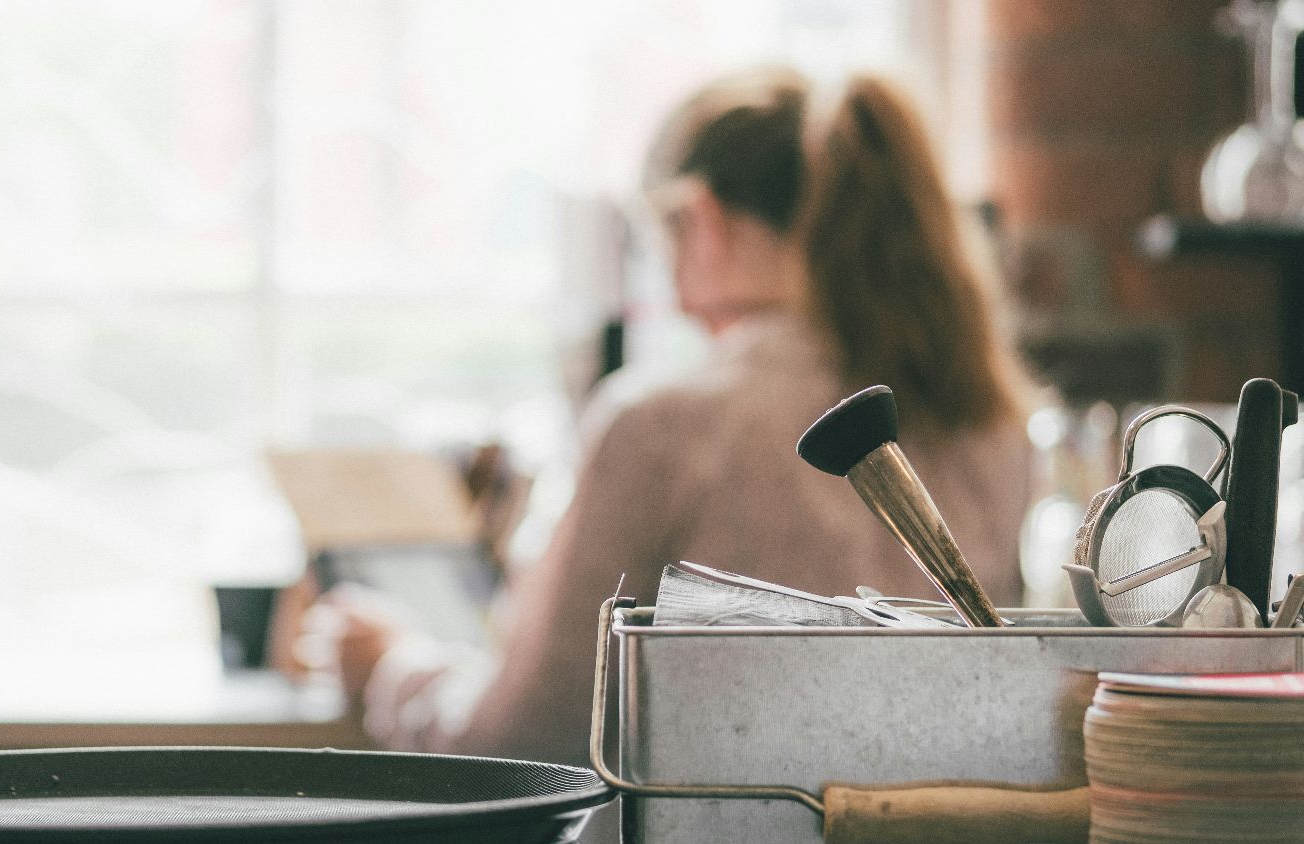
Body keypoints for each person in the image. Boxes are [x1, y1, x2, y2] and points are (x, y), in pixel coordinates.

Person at [319, 67, 1035, 767]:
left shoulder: (663, 428)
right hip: (938, 842)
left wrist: (391, 668)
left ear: (700, 219)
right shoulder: (992, 424)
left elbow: (519, 741)